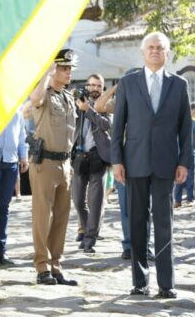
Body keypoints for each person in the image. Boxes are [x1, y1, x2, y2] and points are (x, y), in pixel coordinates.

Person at [111, 32, 192, 298]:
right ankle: (140, 282)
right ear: (143, 52)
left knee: (164, 223)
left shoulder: (179, 85)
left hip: (166, 163)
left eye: (160, 47)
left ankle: (166, 284)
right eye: (151, 47)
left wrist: (184, 162)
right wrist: (117, 160)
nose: (155, 51)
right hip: (134, 162)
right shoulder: (128, 82)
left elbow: (185, 129)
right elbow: (118, 125)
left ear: (167, 53)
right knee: (137, 222)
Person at [29, 48, 78, 286]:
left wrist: (70, 163)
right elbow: (35, 100)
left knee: (61, 217)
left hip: (65, 163)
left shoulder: (68, 97)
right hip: (45, 163)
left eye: (70, 68)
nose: (69, 72)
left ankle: (56, 266)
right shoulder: (44, 94)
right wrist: (46, 74)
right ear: (54, 69)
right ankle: (42, 267)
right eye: (64, 68)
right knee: (43, 216)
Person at [95, 80, 154, 261]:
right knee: (127, 207)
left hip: (148, 160)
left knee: (146, 206)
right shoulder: (123, 99)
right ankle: (129, 245)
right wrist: (116, 87)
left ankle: (144, 246)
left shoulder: (153, 98)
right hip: (125, 162)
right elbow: (99, 106)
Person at [71, 74, 111, 254]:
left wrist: (89, 110)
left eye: (99, 86)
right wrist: (78, 104)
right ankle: (87, 229)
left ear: (103, 88)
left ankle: (89, 239)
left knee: (95, 203)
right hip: (79, 157)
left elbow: (106, 125)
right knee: (78, 200)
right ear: (87, 87)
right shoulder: (78, 104)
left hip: (98, 158)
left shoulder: (106, 104)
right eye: (92, 85)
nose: (95, 88)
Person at [0, 109, 28, 265]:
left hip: (11, 162)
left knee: (3, 208)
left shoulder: (16, 109)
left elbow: (21, 134)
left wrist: (23, 155)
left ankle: (1, 251)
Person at [174, 119, 195, 208]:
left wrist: (192, 148)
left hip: (186, 153)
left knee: (188, 177)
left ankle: (187, 199)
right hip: (181, 153)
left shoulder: (194, 124)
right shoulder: (193, 124)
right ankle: (181, 200)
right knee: (182, 177)